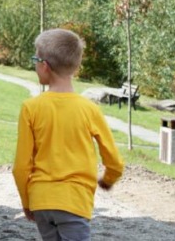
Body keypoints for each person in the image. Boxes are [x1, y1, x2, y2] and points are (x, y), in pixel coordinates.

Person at [12, 29, 124, 241]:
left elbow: (20, 167)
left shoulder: (30, 108)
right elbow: (115, 162)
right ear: (76, 67)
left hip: (41, 201)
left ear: (44, 66)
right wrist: (108, 179)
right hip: (74, 201)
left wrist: (27, 202)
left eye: (35, 59)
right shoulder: (89, 109)